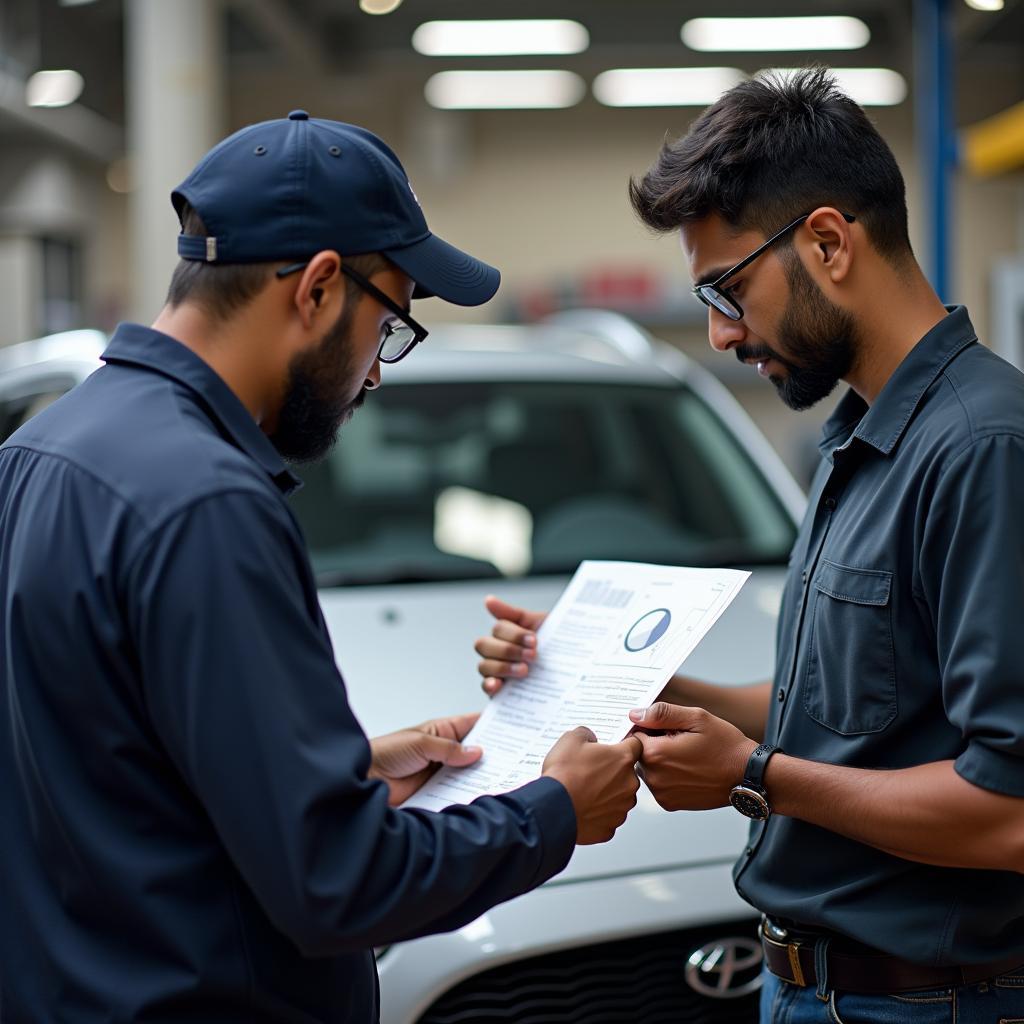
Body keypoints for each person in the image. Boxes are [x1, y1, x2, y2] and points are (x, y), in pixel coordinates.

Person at [0, 111, 643, 1023]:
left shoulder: (41, 449)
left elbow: (94, 766)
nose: (377, 375)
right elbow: (336, 885)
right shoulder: (207, 502)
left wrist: (342, 774)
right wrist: (553, 814)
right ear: (317, 286)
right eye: (391, 325)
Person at [474, 69, 1024, 1021]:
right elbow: (855, 708)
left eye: (727, 290)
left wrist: (755, 778)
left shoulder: (981, 449)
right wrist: (607, 679)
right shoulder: (858, 439)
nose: (722, 336)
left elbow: (1011, 812)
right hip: (811, 990)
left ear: (826, 241)